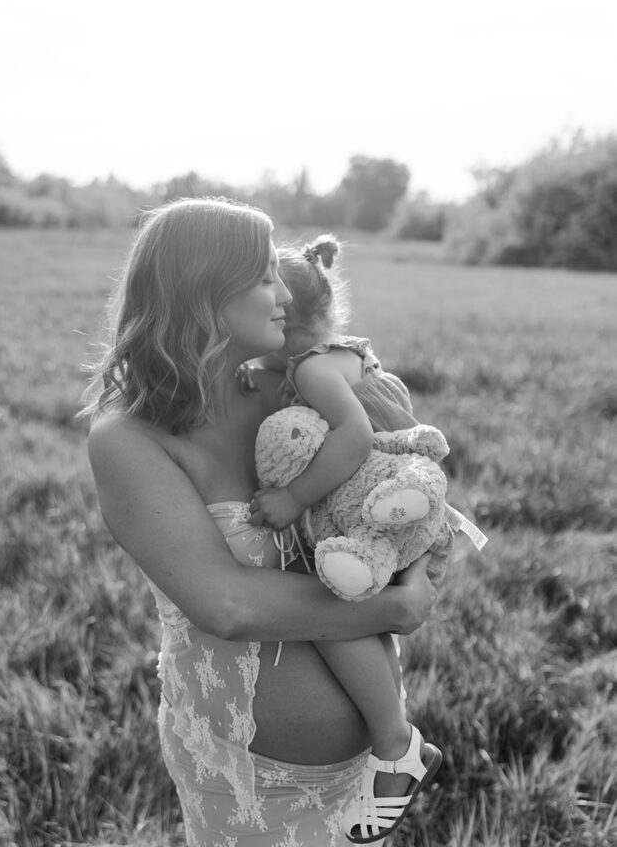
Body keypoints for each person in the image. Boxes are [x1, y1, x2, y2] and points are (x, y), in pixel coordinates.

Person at [83, 197, 437, 847]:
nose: (284, 293)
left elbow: (389, 483)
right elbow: (227, 605)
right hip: (242, 777)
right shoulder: (127, 440)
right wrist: (396, 609)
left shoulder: (288, 389)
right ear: (202, 294)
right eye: (263, 276)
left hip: (361, 766)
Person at [248, 234, 450, 843]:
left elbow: (356, 438)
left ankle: (396, 745)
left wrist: (292, 498)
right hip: (409, 509)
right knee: (359, 613)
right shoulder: (346, 354)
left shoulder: (310, 372)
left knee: (330, 609)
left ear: (282, 319)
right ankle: (389, 738)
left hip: (382, 516)